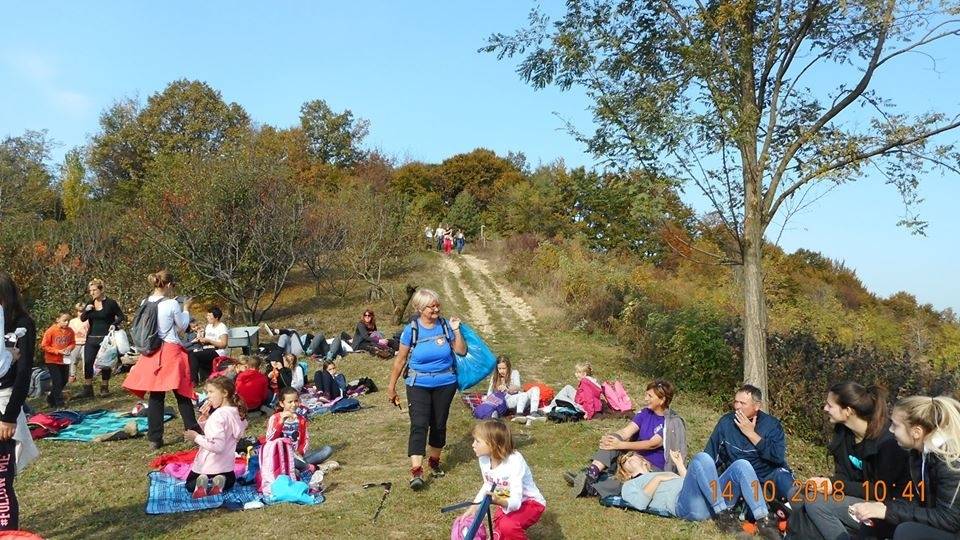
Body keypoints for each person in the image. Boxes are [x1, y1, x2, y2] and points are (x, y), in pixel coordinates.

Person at [787, 382, 910, 540]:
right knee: (796, 494)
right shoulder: (843, 434)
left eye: (830, 405)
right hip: (852, 495)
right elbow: (842, 476)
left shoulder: (887, 443)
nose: (825, 409)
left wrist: (836, 486)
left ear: (848, 411)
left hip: (882, 505)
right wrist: (826, 483)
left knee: (816, 503)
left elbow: (881, 491)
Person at [846, 395, 960, 539]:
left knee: (906, 532)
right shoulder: (918, 454)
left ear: (916, 432)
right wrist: (882, 508)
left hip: (952, 528)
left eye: (895, 425)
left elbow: (949, 519)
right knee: (876, 521)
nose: (891, 430)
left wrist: (888, 511)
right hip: (942, 522)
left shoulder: (950, 462)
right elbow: (919, 501)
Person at [386, 288, 467, 490]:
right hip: (418, 384)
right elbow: (400, 360)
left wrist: (456, 330)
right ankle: (416, 471)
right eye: (432, 306)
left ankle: (434, 462)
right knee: (419, 424)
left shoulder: (446, 326)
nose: (436, 309)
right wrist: (391, 387)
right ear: (420, 308)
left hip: (445, 383)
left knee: (438, 423)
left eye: (438, 305)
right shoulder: (411, 330)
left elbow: (461, 350)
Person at [618, 450, 782, 539]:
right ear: (625, 473)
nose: (629, 457)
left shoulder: (666, 472)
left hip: (709, 496)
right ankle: (724, 517)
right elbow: (639, 503)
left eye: (631, 455)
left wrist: (679, 465)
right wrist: (659, 478)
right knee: (702, 458)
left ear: (644, 461)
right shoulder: (629, 484)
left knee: (742, 465)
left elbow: (691, 478)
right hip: (686, 505)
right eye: (625, 459)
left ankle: (764, 520)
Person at [122, 271, 201, 450]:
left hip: (152, 351)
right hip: (170, 349)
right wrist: (186, 308)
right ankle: (192, 431)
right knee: (182, 392)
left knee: (156, 396)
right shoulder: (172, 303)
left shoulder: (145, 302)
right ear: (169, 285)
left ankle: (155, 438)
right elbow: (182, 326)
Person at [571, 379, 675, 498]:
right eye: (646, 394)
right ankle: (592, 474)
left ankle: (591, 486)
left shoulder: (671, 421)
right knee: (614, 438)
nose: (646, 399)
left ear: (662, 400)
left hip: (652, 466)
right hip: (634, 457)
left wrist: (620, 445)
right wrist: (612, 438)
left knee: (630, 474)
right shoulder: (645, 413)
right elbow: (626, 431)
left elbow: (652, 444)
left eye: (650, 396)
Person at [703, 384, 795, 508]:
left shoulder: (771, 425)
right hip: (740, 479)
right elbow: (711, 454)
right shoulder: (726, 422)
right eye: (736, 402)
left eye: (742, 403)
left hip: (767, 476)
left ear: (757, 406)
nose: (737, 406)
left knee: (785, 480)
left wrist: (752, 435)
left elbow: (777, 457)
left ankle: (800, 512)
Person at [0, 273, 41, 532]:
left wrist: (9, 416)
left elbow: (24, 372)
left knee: (1, 481)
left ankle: (7, 533)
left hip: (5, 402)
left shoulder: (22, 324)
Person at [459, 420, 545, 539]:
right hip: (506, 497)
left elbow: (516, 501)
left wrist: (499, 501)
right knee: (499, 524)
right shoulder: (484, 459)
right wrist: (474, 506)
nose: (473, 445)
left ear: (493, 444)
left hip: (530, 502)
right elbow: (488, 484)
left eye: (477, 441)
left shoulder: (514, 461)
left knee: (507, 526)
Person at [183, 376, 247, 498]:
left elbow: (217, 446)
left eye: (211, 392)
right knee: (230, 481)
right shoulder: (235, 412)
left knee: (189, 485)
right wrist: (205, 419)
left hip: (207, 464)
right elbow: (226, 433)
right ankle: (220, 479)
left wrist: (196, 437)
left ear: (224, 393)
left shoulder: (218, 416)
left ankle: (202, 481)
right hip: (226, 465)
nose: (208, 396)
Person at [266, 387, 334, 472]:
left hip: (299, 456)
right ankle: (312, 468)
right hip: (282, 457)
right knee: (291, 461)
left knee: (327, 449)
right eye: (290, 402)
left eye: (296, 401)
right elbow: (269, 440)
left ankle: (300, 467)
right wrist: (280, 423)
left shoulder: (301, 419)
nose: (294, 404)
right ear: (282, 403)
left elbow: (305, 440)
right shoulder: (275, 418)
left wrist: (300, 451)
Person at [79, 278, 125, 397]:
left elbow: (121, 316)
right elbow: (82, 319)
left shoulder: (111, 303)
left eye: (94, 290)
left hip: (105, 338)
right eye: (90, 291)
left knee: (106, 362)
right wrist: (86, 310)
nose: (92, 293)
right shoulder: (90, 303)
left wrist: (114, 324)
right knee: (88, 362)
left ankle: (104, 386)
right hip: (91, 337)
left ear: (101, 289)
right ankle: (88, 388)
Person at [40, 312, 76, 408]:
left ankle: (50, 398)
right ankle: (59, 403)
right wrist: (57, 351)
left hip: (64, 360)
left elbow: (73, 342)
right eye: (64, 320)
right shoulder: (51, 331)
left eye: (68, 321)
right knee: (57, 381)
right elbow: (44, 345)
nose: (67, 323)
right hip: (52, 360)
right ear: (57, 320)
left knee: (64, 380)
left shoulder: (70, 331)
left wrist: (69, 348)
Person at [188, 307, 229, 385]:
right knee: (191, 352)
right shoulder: (208, 326)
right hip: (207, 349)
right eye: (207, 316)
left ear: (216, 317)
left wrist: (209, 341)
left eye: (209, 316)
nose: (207, 318)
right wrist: (201, 339)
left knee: (194, 355)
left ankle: (193, 381)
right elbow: (206, 341)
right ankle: (202, 378)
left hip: (218, 351)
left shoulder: (222, 327)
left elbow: (223, 344)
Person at [67, 303, 88, 384]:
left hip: (85, 343)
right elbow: (69, 332)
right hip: (75, 343)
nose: (81, 313)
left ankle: (86, 375)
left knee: (86, 361)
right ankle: (72, 375)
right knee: (73, 360)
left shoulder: (88, 320)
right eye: (79, 311)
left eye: (83, 311)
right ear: (76, 312)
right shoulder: (72, 321)